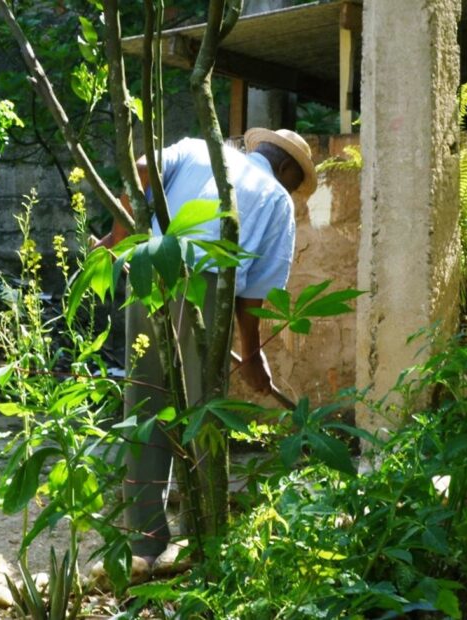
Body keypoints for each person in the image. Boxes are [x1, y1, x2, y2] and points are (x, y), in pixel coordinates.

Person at [103, 128, 317, 566]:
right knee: (203, 415)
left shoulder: (196, 149)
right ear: (286, 170)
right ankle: (202, 540)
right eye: (295, 184)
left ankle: (144, 545)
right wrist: (254, 357)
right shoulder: (275, 199)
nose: (291, 191)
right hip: (210, 289)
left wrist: (117, 236)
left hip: (151, 269)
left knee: (144, 408)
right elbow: (253, 294)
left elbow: (139, 170)